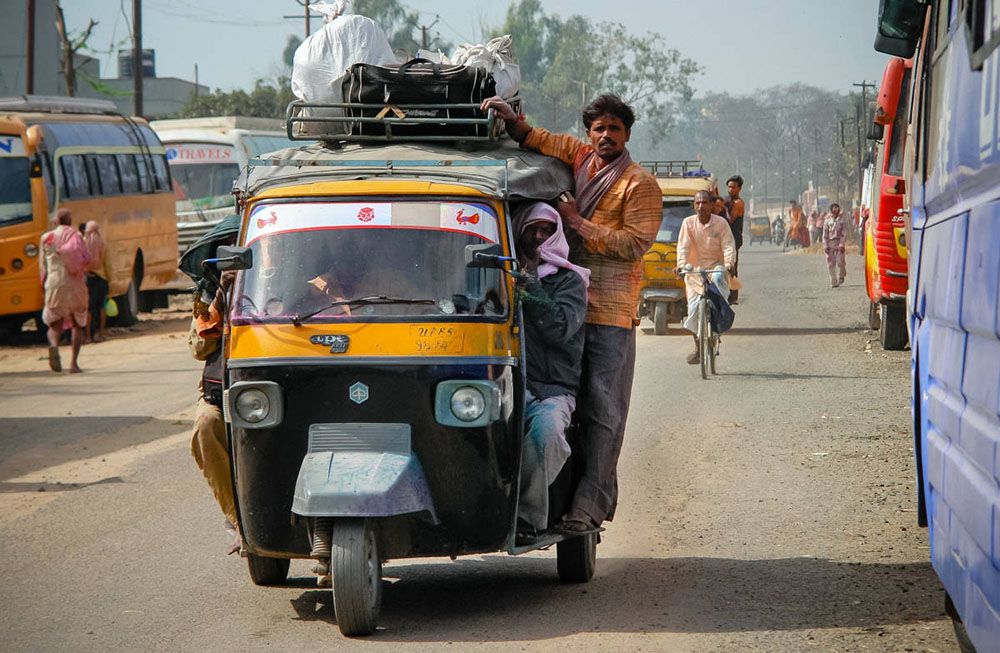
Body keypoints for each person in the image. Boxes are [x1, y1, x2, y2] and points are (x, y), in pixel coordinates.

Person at [481, 93, 661, 533]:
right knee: (554, 403)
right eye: (598, 128)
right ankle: (548, 499)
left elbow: (635, 244)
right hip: (561, 297)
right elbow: (540, 140)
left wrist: (576, 223)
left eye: (613, 129)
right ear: (589, 134)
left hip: (607, 311)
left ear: (627, 135)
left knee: (602, 411)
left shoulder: (639, 184)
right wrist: (512, 121)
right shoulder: (579, 158)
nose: (604, 136)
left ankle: (588, 506)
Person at [512, 202, 590, 543]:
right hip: (508, 385)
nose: (540, 237)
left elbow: (559, 327)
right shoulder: (503, 274)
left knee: (547, 436)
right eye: (533, 230)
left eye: (547, 230)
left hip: (553, 389)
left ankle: (525, 517)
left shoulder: (570, 281)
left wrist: (531, 288)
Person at [676, 190, 737, 364]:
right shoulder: (688, 223)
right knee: (693, 310)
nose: (701, 206)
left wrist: (729, 264)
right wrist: (681, 266)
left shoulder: (721, 223)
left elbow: (728, 246)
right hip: (695, 272)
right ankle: (698, 348)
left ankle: (720, 314)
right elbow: (683, 248)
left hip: (716, 268)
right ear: (694, 206)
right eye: (698, 203)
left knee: (718, 284)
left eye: (705, 203)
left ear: (711, 205)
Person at [40, 208, 90, 373]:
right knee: (77, 324)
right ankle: (74, 364)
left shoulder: (46, 238)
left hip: (54, 283)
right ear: (70, 221)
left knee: (54, 325)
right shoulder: (76, 236)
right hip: (75, 284)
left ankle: (54, 346)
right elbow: (86, 259)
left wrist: (43, 286)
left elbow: (43, 267)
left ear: (56, 222)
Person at [82, 221, 110, 343]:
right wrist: (110, 278)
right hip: (102, 278)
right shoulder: (103, 243)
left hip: (88, 278)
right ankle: (101, 334)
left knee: (89, 308)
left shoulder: (83, 242)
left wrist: (84, 271)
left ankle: (88, 336)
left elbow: (79, 260)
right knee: (102, 307)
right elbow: (108, 264)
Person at [724, 176, 746, 303]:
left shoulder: (738, 203)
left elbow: (730, 220)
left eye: (733, 187)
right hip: (727, 238)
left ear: (739, 189)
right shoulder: (729, 201)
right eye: (729, 186)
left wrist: (723, 207)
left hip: (734, 239)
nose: (730, 189)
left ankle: (733, 296)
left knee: (731, 266)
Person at [822, 203, 848, 287]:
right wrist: (825, 245)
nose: (835, 210)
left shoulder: (842, 221)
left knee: (840, 262)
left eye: (837, 208)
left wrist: (842, 244)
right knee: (830, 263)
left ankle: (841, 275)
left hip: (839, 242)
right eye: (834, 209)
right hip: (830, 243)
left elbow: (844, 234)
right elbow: (825, 235)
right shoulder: (827, 221)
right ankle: (833, 281)